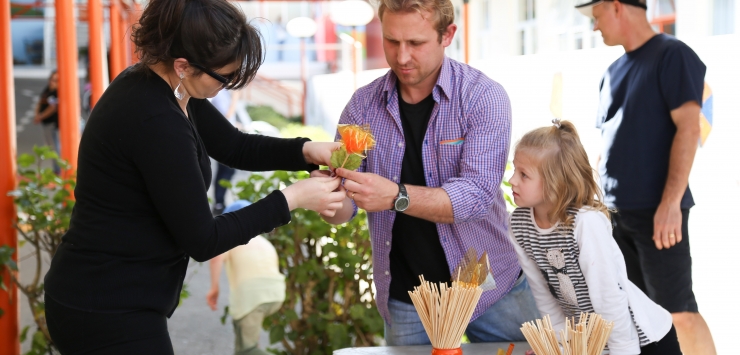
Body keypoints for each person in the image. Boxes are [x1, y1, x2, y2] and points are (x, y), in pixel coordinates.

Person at [42, 0, 346, 353]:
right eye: (224, 77)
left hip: (108, 296)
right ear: (184, 65)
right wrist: (294, 198)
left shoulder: (166, 87)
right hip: (105, 306)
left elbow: (234, 146)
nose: (228, 85)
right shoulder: (155, 120)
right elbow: (203, 239)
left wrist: (307, 151)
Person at [319, 0, 539, 345]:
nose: (402, 57)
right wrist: (331, 203)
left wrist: (395, 196)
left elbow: (476, 196)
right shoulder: (361, 106)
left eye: (416, 43)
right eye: (392, 41)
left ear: (447, 35)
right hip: (408, 293)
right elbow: (347, 204)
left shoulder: (483, 97)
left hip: (488, 282)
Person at [575, 1, 716, 354]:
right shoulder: (611, 72)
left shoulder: (674, 55)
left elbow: (689, 128)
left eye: (596, 17)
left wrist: (670, 204)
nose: (594, 27)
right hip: (614, 216)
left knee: (678, 312)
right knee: (637, 318)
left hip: (658, 213)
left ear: (617, 7)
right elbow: (606, 145)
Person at [507, 120, 681, 355]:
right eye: (515, 170)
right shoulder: (519, 224)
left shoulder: (585, 223)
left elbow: (607, 295)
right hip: (596, 344)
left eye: (524, 175)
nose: (512, 180)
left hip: (641, 342)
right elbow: (543, 294)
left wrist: (623, 351)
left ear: (554, 182)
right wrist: (559, 346)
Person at [206, 200, 285, 355]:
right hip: (276, 295)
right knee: (244, 343)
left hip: (252, 296)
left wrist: (214, 288)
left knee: (247, 350)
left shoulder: (233, 239)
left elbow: (216, 258)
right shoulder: (264, 243)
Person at [208, 89, 244, 215]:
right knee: (225, 172)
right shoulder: (219, 92)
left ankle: (219, 203)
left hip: (228, 136)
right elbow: (225, 116)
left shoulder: (224, 92)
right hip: (223, 138)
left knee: (226, 172)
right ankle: (219, 203)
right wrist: (235, 98)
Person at [33, 70, 60, 174]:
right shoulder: (47, 90)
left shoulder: (56, 92)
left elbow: (53, 108)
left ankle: (57, 168)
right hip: (45, 122)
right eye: (51, 79)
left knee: (54, 146)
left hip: (52, 123)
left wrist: (40, 116)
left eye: (55, 80)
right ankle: (56, 167)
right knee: (51, 145)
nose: (52, 82)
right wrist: (37, 114)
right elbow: (40, 102)